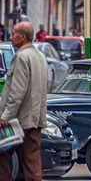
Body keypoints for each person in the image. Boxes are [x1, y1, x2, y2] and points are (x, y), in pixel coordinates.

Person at [0, 22, 48, 181]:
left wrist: (6, 116)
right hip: (35, 119)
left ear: (22, 37)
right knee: (32, 162)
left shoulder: (21, 56)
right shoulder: (40, 55)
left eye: (14, 33)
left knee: (1, 154)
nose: (11, 37)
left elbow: (17, 92)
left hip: (19, 120)